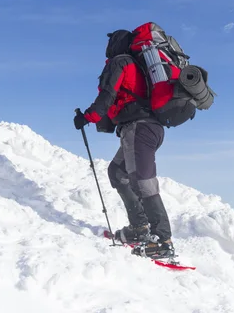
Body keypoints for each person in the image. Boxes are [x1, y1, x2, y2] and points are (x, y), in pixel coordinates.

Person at [73, 29, 174, 258]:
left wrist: (88, 117)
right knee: (117, 173)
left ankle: (162, 240)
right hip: (148, 129)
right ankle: (139, 228)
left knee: (143, 183)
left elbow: (107, 94)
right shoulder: (139, 66)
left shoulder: (121, 62)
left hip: (139, 129)